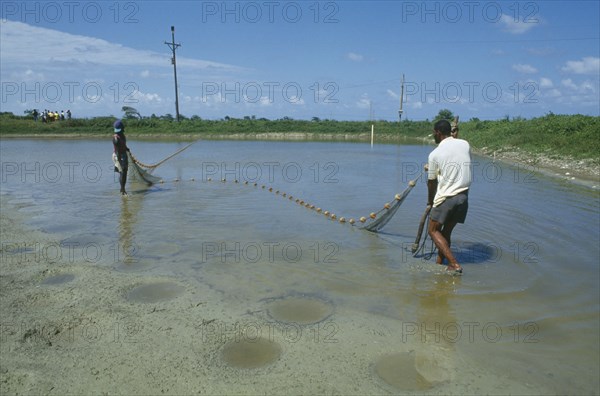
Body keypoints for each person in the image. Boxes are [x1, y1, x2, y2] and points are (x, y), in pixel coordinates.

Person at [427, 119, 472, 275]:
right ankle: (440, 264)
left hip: (447, 199)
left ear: (438, 133)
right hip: (463, 198)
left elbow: (431, 183)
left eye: (434, 133)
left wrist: (430, 202)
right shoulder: (465, 144)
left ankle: (454, 264)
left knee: (432, 230)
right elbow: (455, 156)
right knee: (446, 234)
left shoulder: (434, 154)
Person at [112, 119, 130, 196]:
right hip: (119, 156)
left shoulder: (122, 136)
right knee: (122, 172)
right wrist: (119, 160)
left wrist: (127, 149)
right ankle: (123, 190)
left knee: (124, 173)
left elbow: (124, 145)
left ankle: (122, 189)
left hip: (123, 155)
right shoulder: (116, 138)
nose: (117, 132)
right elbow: (117, 148)